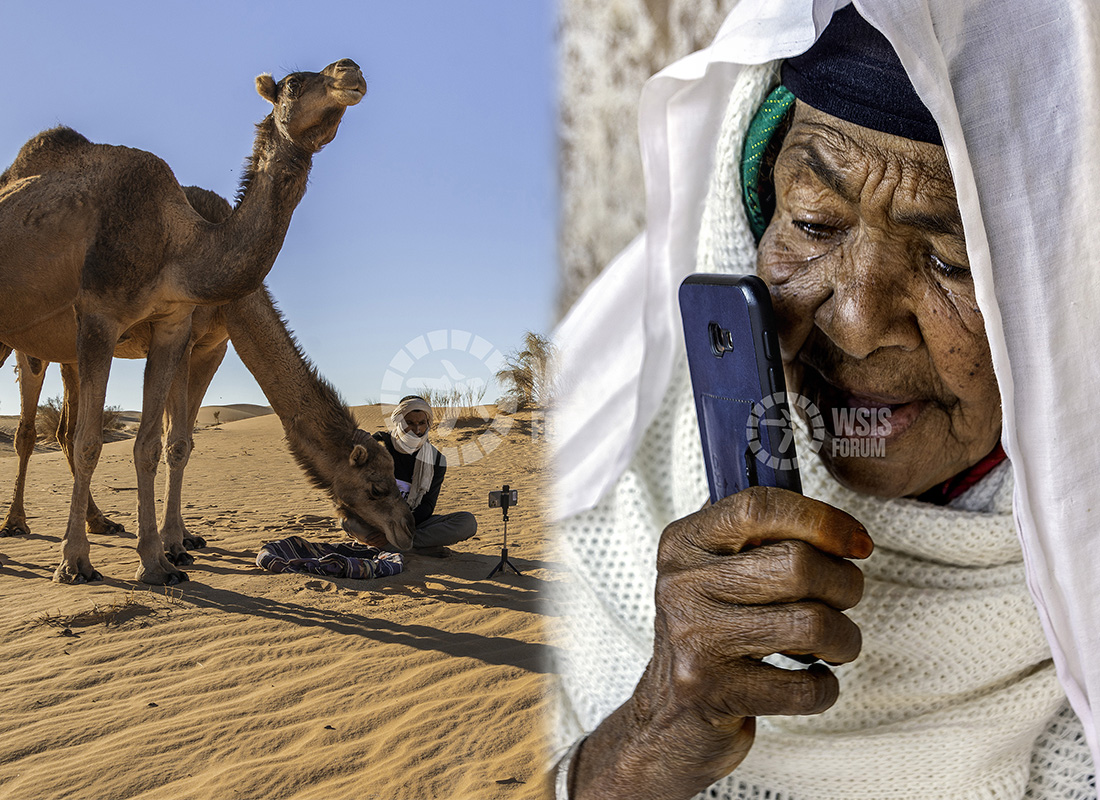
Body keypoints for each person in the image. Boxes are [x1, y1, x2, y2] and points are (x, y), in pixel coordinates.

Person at [551, 2, 1100, 798]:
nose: (855, 322)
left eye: (953, 259)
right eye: (813, 223)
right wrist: (643, 745)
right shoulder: (602, 479)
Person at [346, 395, 477, 557]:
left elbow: (427, 506)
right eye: (410, 423)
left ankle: (395, 545)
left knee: (467, 522)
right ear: (399, 422)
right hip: (375, 521)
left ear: (428, 423)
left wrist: (396, 531)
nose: (417, 430)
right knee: (347, 521)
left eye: (422, 423)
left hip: (411, 525)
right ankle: (417, 547)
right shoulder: (377, 445)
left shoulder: (436, 460)